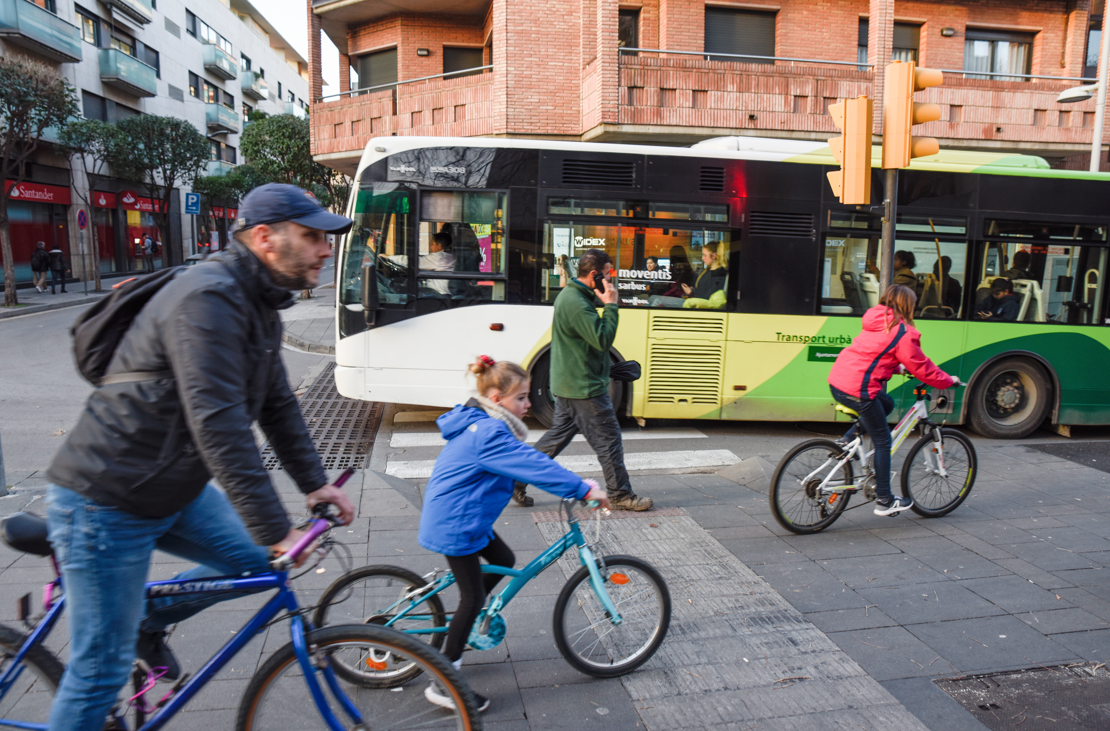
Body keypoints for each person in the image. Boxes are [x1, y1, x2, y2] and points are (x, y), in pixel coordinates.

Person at [43, 183, 357, 730]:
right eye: (312, 237)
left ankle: (148, 617)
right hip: (105, 499)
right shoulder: (208, 298)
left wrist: (316, 484)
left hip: (171, 489)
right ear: (265, 238)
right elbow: (219, 424)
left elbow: (278, 404)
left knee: (256, 565)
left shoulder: (257, 304)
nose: (325, 249)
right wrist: (275, 526)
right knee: (99, 671)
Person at [419, 356, 611, 712]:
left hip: (466, 518)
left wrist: (575, 484)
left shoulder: (486, 423)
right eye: (521, 398)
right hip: (457, 523)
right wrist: (582, 488)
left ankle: (467, 623)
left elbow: (524, 458)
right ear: (496, 398)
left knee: (504, 560)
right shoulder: (489, 433)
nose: (528, 404)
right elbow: (531, 464)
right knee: (472, 596)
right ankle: (444, 680)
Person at [513, 249, 653, 511]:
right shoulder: (575, 302)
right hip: (583, 389)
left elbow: (584, 344)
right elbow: (601, 339)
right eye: (608, 273)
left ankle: (516, 479)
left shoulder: (577, 296)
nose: (611, 279)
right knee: (609, 441)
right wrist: (611, 305)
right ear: (594, 274)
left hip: (573, 383)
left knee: (556, 439)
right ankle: (620, 494)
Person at [827, 285, 957, 516]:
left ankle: (848, 442)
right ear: (908, 305)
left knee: (885, 404)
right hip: (859, 389)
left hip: (839, 381)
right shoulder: (901, 331)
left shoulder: (877, 320)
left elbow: (872, 353)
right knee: (883, 441)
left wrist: (896, 368)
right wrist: (947, 380)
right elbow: (922, 367)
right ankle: (885, 500)